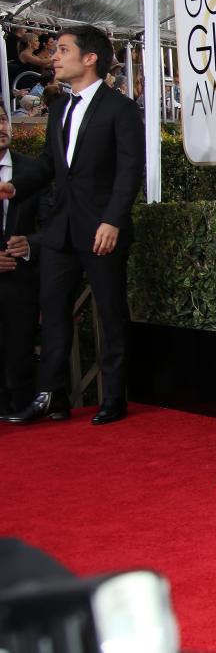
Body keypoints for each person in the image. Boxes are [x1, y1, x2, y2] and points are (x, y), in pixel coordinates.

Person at [0, 25, 144, 426]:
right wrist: (14, 185)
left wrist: (113, 220)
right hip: (60, 228)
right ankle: (52, 397)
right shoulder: (60, 108)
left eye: (63, 50)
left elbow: (129, 169)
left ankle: (114, 397)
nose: (55, 57)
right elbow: (50, 164)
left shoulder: (120, 108)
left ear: (90, 58)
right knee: (53, 310)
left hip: (101, 229)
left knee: (110, 312)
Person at [0, 108, 42, 416]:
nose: (2, 126)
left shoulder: (32, 171)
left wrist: (31, 244)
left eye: (2, 119)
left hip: (23, 276)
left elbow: (53, 220)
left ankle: (24, 405)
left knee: (21, 349)